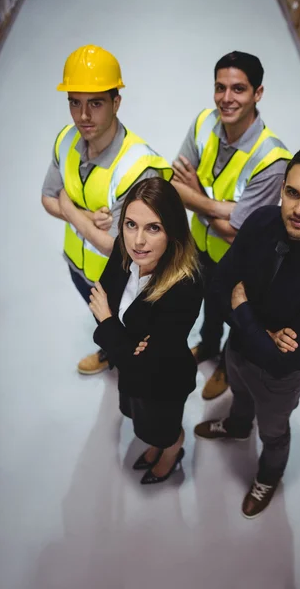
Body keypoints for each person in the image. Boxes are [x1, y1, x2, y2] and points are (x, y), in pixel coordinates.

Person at [194, 144, 300, 518]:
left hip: (277, 381)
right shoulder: (260, 222)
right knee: (238, 393)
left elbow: (287, 361)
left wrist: (242, 307)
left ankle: (269, 475)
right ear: (282, 188)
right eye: (293, 193)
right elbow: (219, 288)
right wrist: (260, 330)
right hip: (235, 349)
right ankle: (237, 427)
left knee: (273, 432)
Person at [42, 45, 172, 375]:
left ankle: (130, 365)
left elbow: (118, 244)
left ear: (116, 102)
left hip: (123, 277)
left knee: (130, 328)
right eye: (75, 102)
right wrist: (87, 218)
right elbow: (47, 198)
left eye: (95, 103)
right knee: (100, 315)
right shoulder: (65, 141)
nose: (83, 116)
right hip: (80, 265)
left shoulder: (138, 167)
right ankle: (109, 350)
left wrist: (70, 210)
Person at [172, 51, 291, 400]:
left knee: (236, 318)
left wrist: (198, 194)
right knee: (207, 305)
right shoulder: (203, 124)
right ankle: (208, 346)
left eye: (238, 89)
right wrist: (220, 209)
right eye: (220, 87)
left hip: (240, 262)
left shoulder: (272, 159)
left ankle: (226, 363)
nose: (227, 98)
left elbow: (240, 231)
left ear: (258, 93)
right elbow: (174, 186)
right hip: (200, 248)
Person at [89, 177, 202, 484]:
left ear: (172, 231)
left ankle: (171, 453)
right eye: (130, 224)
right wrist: (130, 347)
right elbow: (100, 296)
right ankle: (156, 446)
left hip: (165, 382)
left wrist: (109, 322)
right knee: (143, 421)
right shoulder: (124, 251)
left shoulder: (185, 288)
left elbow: (144, 363)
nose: (138, 241)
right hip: (136, 377)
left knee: (165, 429)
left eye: (153, 228)